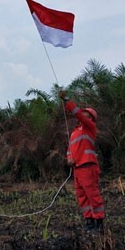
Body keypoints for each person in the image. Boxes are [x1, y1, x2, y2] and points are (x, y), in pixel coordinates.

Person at [59, 91, 105, 232]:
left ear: (90, 117)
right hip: (77, 168)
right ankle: (89, 222)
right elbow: (70, 150)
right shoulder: (75, 132)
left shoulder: (90, 127)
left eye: (85, 113)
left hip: (88, 166)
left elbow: (77, 113)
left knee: (92, 195)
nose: (82, 114)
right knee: (82, 196)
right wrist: (69, 159)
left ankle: (99, 223)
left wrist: (67, 101)